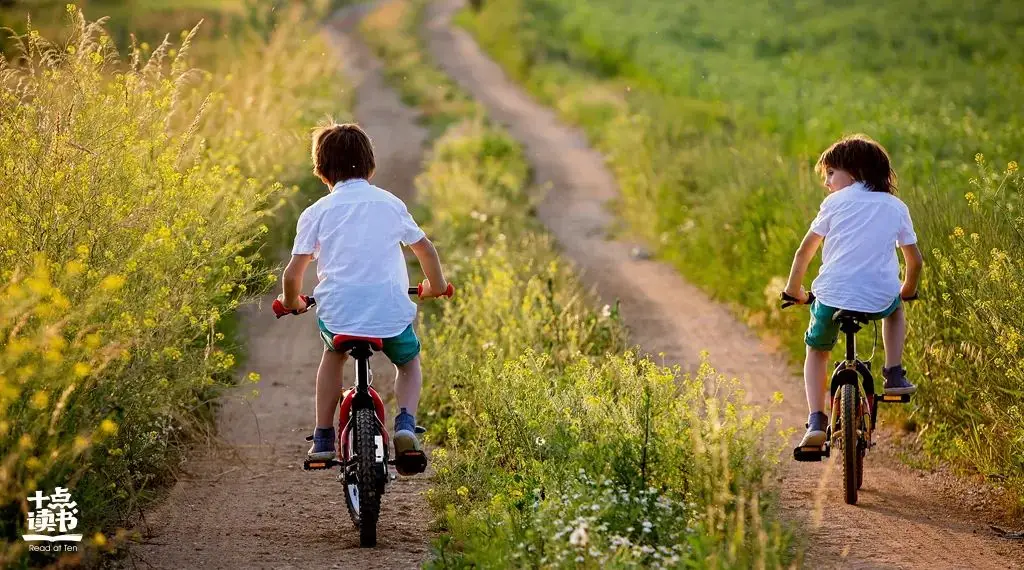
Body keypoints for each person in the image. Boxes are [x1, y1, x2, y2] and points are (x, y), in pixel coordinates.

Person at [277, 122, 448, 465]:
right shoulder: (389, 204)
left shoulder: (317, 213)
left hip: (339, 314)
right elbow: (425, 250)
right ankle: (406, 422)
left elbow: (293, 274)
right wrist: (436, 287)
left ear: (322, 173)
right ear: (371, 166)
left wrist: (292, 301)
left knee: (332, 357)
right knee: (409, 362)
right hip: (391, 313)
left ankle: (323, 435)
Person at [783, 133, 923, 448]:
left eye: (832, 173)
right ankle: (894, 372)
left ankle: (816, 420)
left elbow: (804, 252)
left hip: (831, 296)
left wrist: (794, 290)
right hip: (879, 297)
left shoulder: (834, 203)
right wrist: (907, 290)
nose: (827, 181)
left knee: (817, 350)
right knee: (896, 307)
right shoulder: (896, 206)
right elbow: (914, 261)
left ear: (855, 172)